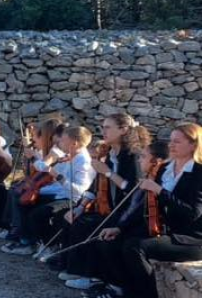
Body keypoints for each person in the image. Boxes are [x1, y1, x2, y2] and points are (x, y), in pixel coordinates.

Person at [96, 123, 202, 298]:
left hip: (190, 238)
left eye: (177, 142)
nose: (171, 145)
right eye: (171, 141)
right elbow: (145, 207)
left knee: (136, 247)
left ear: (193, 145)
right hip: (165, 230)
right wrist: (119, 228)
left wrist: (160, 191)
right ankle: (132, 293)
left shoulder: (198, 174)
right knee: (112, 241)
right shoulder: (164, 169)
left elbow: (192, 213)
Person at [79, 136, 166, 298]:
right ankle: (108, 283)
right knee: (105, 236)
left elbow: (137, 205)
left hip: (153, 227)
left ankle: (126, 291)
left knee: (123, 243)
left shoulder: (137, 166)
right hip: (132, 219)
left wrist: (120, 227)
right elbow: (135, 209)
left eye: (144, 157)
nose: (140, 159)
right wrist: (119, 227)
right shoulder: (146, 176)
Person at [58, 116, 144, 288]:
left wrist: (108, 173)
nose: (103, 131)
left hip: (126, 211)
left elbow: (133, 190)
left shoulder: (132, 156)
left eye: (108, 127)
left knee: (93, 227)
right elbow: (95, 186)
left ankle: (93, 276)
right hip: (109, 207)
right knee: (77, 219)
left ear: (124, 130)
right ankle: (76, 268)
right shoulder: (110, 153)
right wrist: (80, 207)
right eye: (103, 127)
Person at [2, 125, 93, 255]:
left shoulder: (83, 161)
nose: (59, 143)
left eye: (63, 140)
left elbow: (79, 191)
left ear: (74, 143)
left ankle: (48, 244)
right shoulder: (68, 155)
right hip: (59, 194)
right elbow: (42, 168)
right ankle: (27, 241)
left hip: (71, 199)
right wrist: (38, 157)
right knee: (24, 200)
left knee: (38, 213)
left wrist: (58, 176)